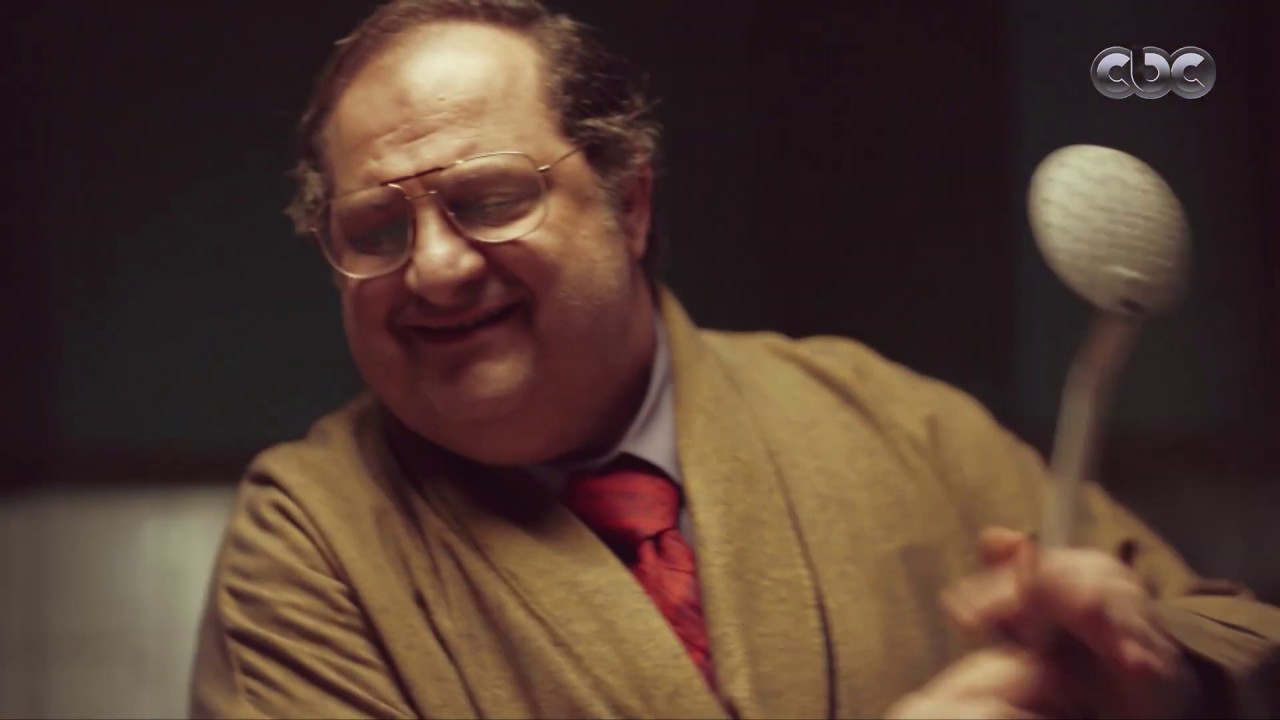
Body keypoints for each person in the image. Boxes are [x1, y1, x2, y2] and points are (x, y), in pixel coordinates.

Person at [189, 1, 1280, 717]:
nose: (431, 268)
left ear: (628, 203)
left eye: (488, 199)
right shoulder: (311, 537)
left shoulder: (876, 411)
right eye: (376, 229)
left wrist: (1157, 676)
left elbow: (1238, 638)